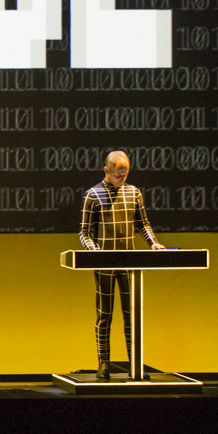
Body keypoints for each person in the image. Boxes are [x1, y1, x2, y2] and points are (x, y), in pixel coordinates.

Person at [79, 150, 164, 380]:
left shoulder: (133, 193)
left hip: (130, 264)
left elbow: (142, 224)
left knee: (132, 315)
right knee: (104, 315)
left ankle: (134, 362)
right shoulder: (93, 195)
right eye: (118, 174)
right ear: (107, 170)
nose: (122, 178)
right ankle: (103, 363)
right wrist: (93, 249)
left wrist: (153, 243)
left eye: (125, 174)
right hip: (104, 263)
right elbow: (84, 232)